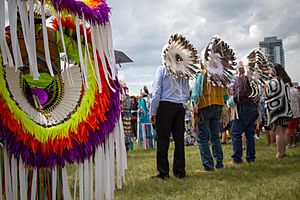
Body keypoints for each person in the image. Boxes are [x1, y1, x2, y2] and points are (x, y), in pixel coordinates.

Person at [150, 34, 197, 180]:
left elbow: (156, 91)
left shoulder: (162, 70)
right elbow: (187, 92)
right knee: (179, 140)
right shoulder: (182, 72)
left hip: (165, 107)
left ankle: (163, 173)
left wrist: (153, 110)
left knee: (163, 141)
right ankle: (180, 171)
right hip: (179, 107)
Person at [229, 63, 259, 164]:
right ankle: (251, 158)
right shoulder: (252, 80)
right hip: (253, 108)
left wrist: (233, 100)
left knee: (235, 132)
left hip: (244, 108)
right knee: (249, 134)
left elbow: (239, 94)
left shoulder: (240, 79)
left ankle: (237, 158)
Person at [265, 64, 292, 158]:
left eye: (270, 69)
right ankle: (283, 152)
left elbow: (268, 95)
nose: (269, 71)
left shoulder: (273, 81)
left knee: (278, 132)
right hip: (286, 110)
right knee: (283, 132)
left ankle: (279, 153)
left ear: (274, 70)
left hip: (277, 111)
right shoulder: (286, 81)